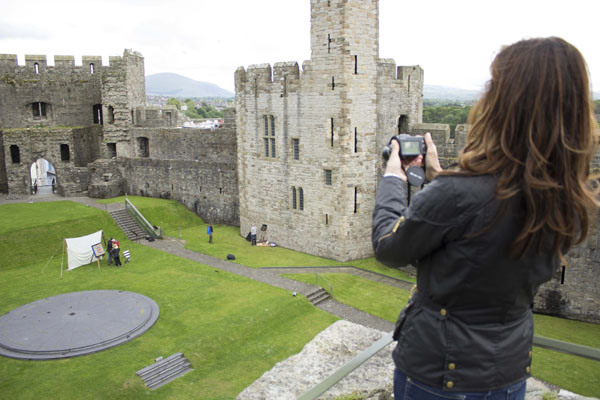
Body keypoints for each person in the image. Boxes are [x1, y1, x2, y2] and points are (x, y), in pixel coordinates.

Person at [372, 37, 598, 399]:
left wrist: (394, 178)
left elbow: (388, 248)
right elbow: (488, 224)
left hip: (439, 379)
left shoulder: (462, 194)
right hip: (506, 375)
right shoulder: (569, 195)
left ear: (506, 103)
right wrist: (441, 177)